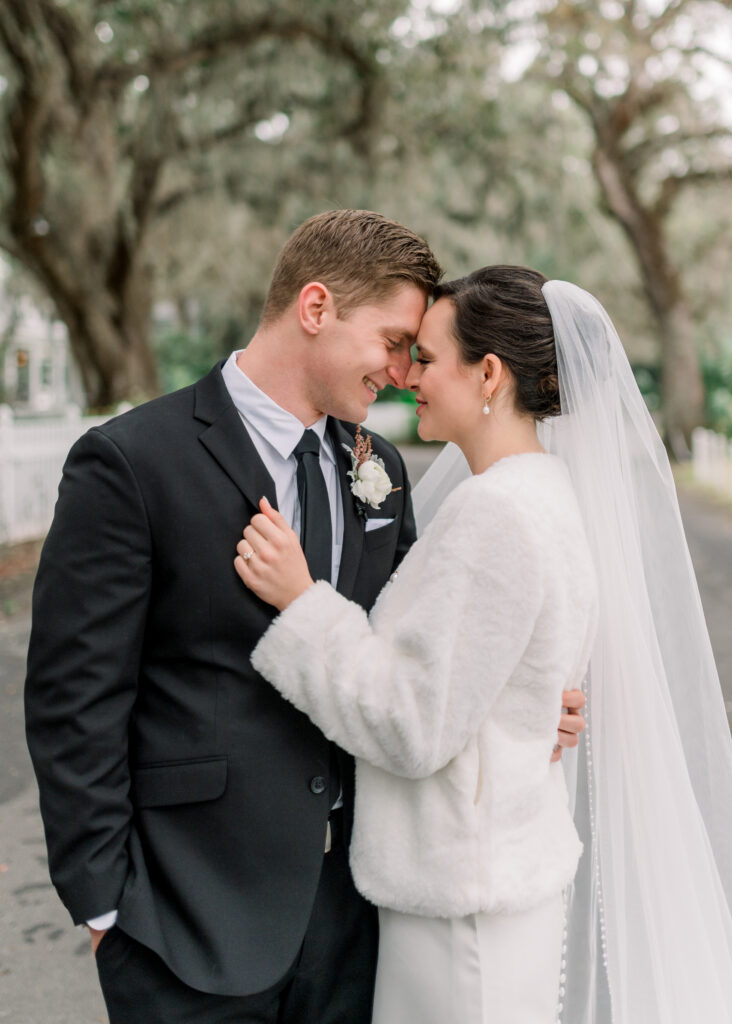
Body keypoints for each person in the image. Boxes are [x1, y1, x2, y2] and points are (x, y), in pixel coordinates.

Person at [24, 215, 585, 1024]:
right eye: (395, 341)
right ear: (315, 308)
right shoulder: (132, 463)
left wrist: (516, 700)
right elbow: (73, 700)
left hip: (357, 922)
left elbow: (411, 655)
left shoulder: (379, 470)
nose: (402, 372)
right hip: (186, 922)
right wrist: (105, 907)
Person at [236, 266, 732, 1023]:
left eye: (428, 360)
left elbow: (411, 722)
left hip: (460, 904)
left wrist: (303, 604)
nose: (407, 378)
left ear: (490, 373)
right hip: (481, 879)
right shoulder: (544, 492)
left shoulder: (497, 515)